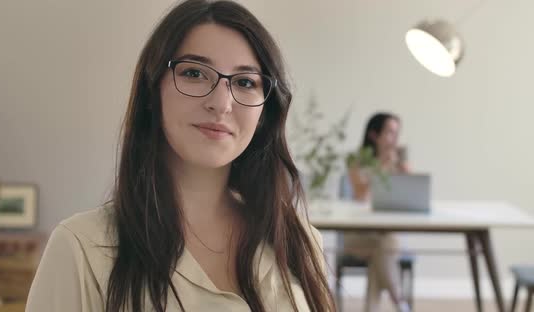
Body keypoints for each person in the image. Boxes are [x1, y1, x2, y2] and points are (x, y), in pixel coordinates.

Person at [25, 1, 335, 311]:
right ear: (152, 91)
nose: (221, 103)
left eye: (244, 82)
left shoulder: (299, 242)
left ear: (265, 111)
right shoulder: (81, 249)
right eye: (194, 73)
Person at [345, 112, 411, 312]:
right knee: (384, 247)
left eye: (397, 133)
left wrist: (400, 166)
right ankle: (399, 301)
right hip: (358, 235)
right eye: (390, 132)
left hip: (386, 235)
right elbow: (361, 195)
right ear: (374, 135)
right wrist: (382, 165)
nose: (395, 139)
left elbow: (411, 194)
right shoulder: (356, 160)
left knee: (381, 249)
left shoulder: (399, 161)